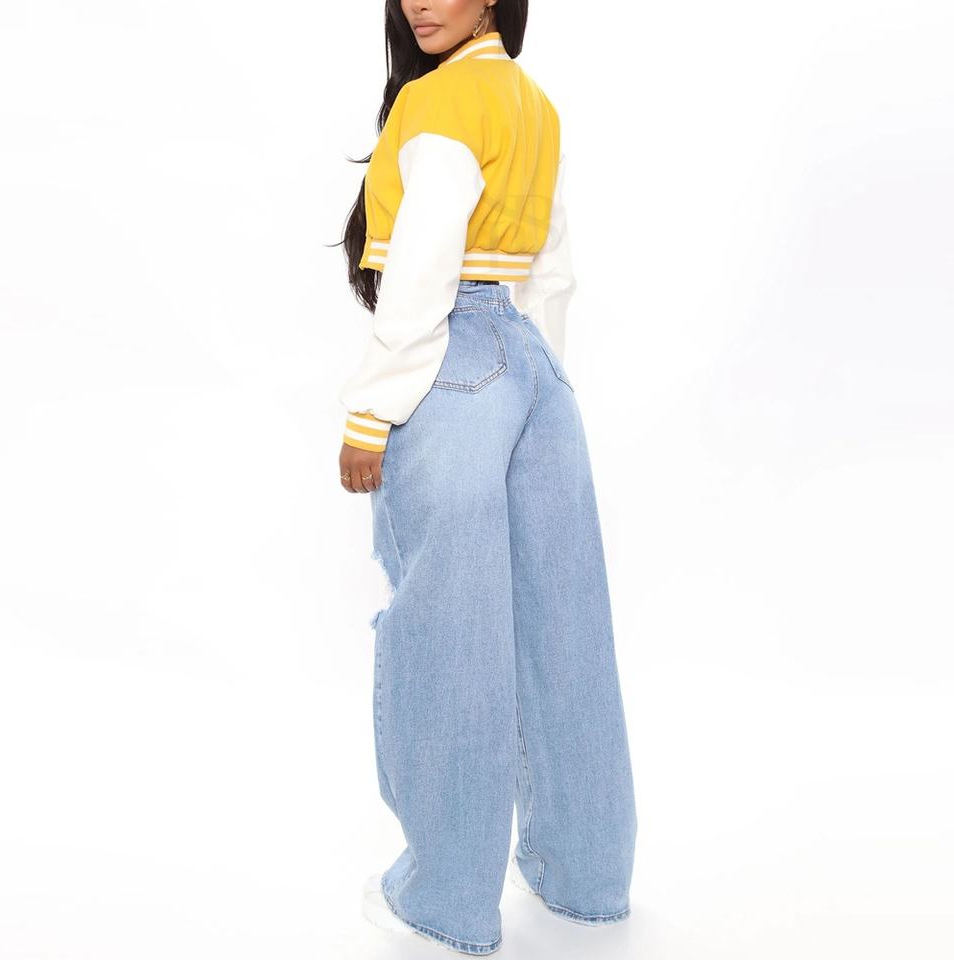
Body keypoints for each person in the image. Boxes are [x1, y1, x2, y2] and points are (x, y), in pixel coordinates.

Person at [335, 3, 637, 955]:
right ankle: (586, 875)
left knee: (448, 629)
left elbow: (424, 265)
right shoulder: (533, 104)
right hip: (534, 367)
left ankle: (446, 901)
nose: (419, 2)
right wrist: (534, 386)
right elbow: (553, 271)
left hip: (447, 359)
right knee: (565, 623)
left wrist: (372, 410)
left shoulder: (438, 103)